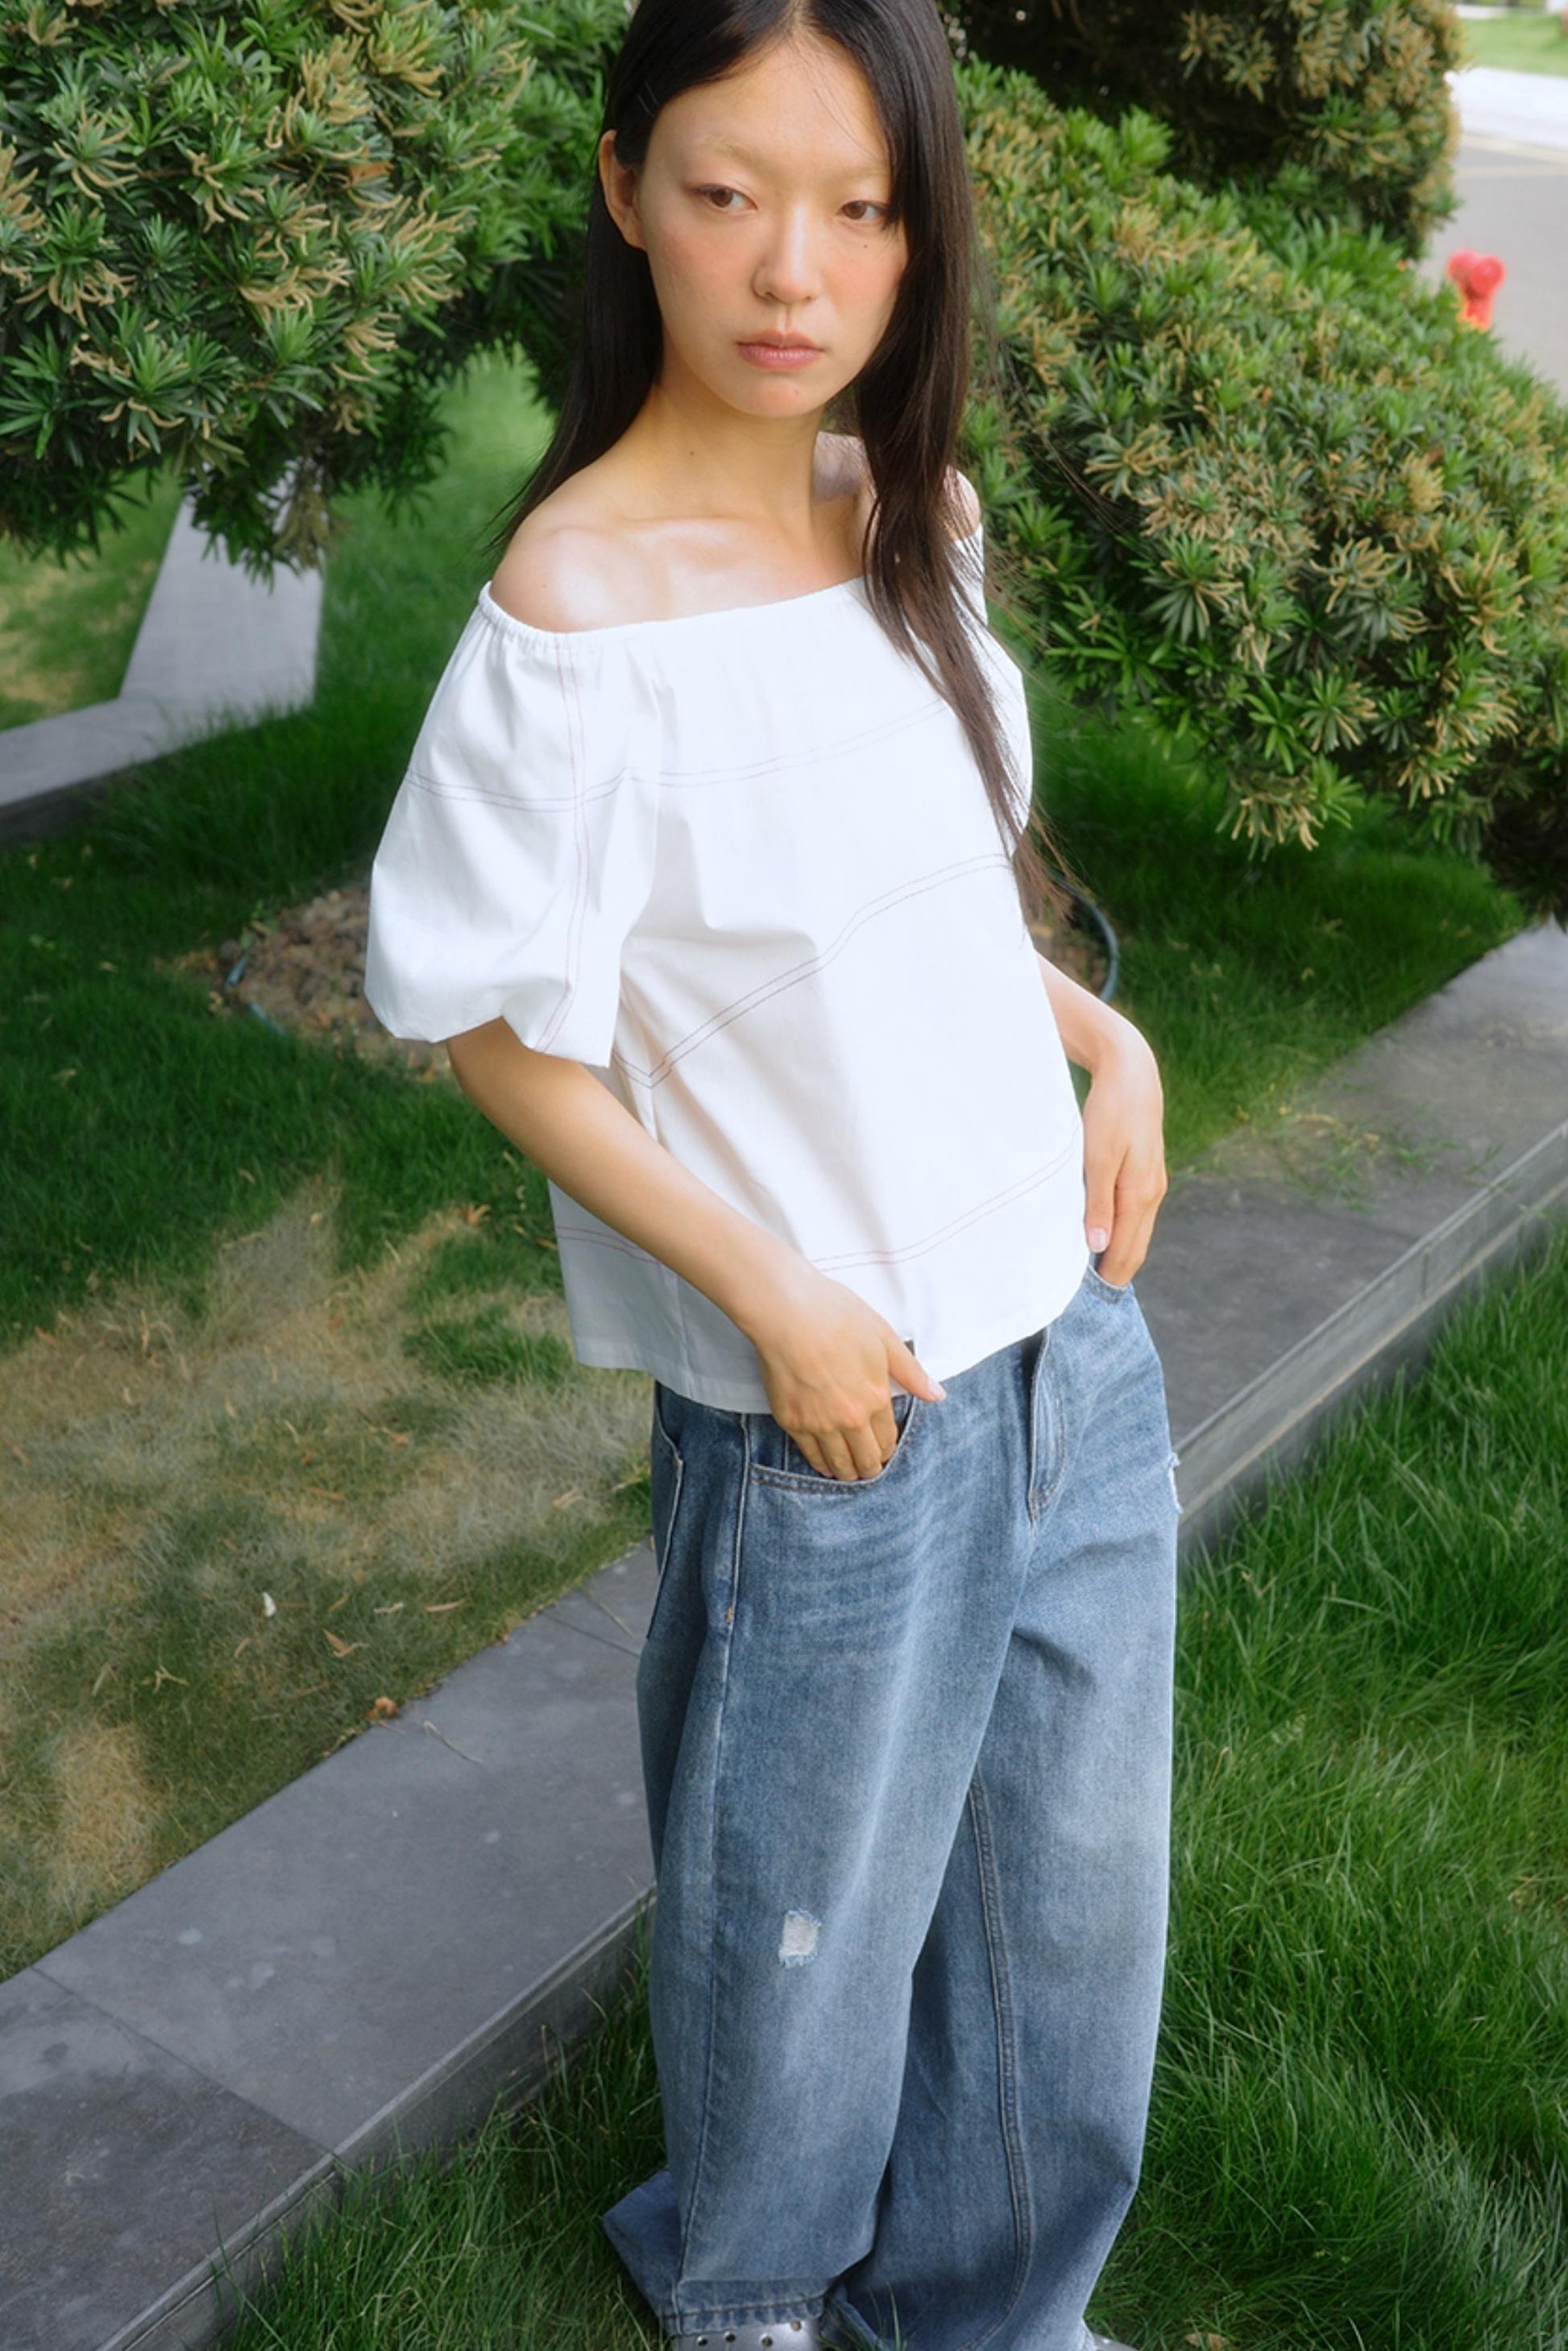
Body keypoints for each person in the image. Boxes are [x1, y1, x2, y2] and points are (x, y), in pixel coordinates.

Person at [363, 4, 1180, 2349]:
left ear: (920, 233)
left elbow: (927, 891)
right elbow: (495, 1031)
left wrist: (1100, 1037)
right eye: (728, 195)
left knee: (1064, 1916)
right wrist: (777, 1295)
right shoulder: (575, 614)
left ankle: (996, 2315)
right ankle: (746, 2304)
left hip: (1068, 1348)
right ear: (627, 189)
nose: (791, 269)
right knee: (796, 1941)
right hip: (834, 1413)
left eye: (857, 207)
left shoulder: (906, 513)